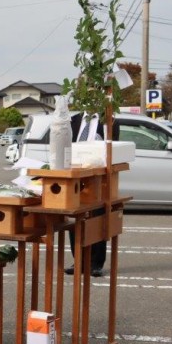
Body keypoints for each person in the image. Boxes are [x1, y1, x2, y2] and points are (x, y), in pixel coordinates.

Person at [66, 111, 111, 277]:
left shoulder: (109, 119)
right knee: (75, 218)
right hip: (76, 174)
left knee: (98, 219)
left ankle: (96, 263)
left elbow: (112, 148)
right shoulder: (74, 120)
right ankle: (78, 259)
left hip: (99, 177)